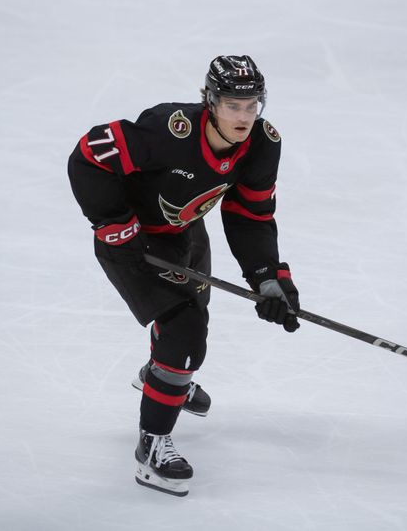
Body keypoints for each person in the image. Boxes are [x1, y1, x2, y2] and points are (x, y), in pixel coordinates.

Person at [67, 55, 300, 497]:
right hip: (132, 243)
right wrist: (114, 223)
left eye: (253, 106)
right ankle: (152, 445)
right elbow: (88, 157)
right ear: (210, 101)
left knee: (190, 318)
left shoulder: (264, 144)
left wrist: (268, 277)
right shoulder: (166, 130)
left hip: (184, 232)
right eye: (233, 105)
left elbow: (250, 215)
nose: (244, 117)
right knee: (186, 335)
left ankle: (162, 377)